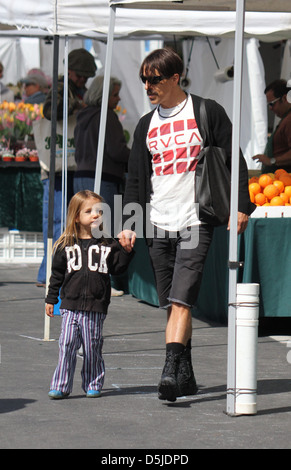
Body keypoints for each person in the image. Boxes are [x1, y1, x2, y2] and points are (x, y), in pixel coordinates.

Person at [118, 48, 254, 403]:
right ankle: (187, 376)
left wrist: (241, 205)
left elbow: (233, 159)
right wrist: (131, 223)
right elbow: (135, 177)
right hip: (158, 221)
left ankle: (169, 370)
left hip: (196, 218)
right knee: (171, 304)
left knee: (181, 299)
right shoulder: (147, 125)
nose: (148, 86)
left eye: (155, 80)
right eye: (144, 80)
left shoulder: (206, 112)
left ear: (175, 78)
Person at [45, 190, 134, 399]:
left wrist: (126, 251)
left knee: (92, 347)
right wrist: (51, 299)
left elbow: (118, 269)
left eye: (99, 211)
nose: (95, 215)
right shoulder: (65, 244)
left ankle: (93, 382)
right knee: (66, 344)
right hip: (69, 305)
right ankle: (61, 385)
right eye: (89, 211)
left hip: (95, 306)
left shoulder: (107, 243)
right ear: (76, 216)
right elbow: (56, 274)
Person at [36, 48, 97, 287]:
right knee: (57, 221)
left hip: (68, 164)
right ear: (69, 71)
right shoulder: (60, 88)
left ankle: (53, 271)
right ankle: (49, 273)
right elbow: (49, 111)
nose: (82, 80)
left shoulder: (75, 88)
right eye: (79, 75)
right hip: (58, 167)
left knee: (63, 220)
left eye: (85, 76)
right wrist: (76, 106)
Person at [74, 75, 130, 297]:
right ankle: (105, 281)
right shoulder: (107, 116)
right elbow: (116, 151)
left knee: (87, 231)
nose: (118, 99)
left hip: (82, 176)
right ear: (104, 95)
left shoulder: (83, 116)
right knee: (103, 232)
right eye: (115, 94)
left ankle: (87, 279)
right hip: (103, 178)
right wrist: (137, 157)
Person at [252, 79, 291, 172]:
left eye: (272, 104)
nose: (270, 108)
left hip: (283, 181)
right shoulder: (286, 119)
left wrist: (272, 161)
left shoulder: (289, 120)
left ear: (285, 98)